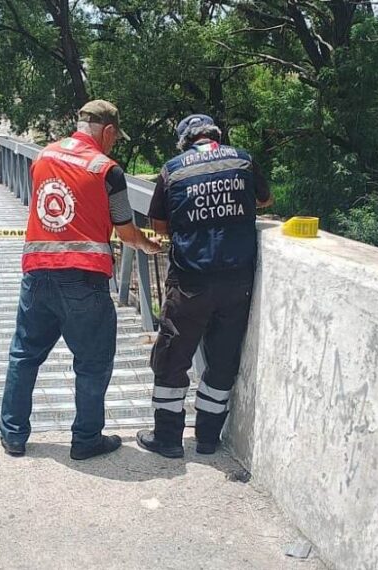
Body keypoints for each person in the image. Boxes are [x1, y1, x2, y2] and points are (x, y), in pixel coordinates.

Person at [0, 100, 162, 460]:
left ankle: (13, 435)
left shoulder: (43, 157)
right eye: (115, 137)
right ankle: (86, 439)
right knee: (92, 362)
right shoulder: (107, 170)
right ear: (108, 131)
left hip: (37, 272)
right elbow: (126, 231)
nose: (114, 143)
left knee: (24, 355)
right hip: (84, 279)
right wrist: (148, 245)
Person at [136, 114, 273, 458]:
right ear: (216, 136)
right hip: (237, 280)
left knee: (172, 357)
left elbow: (159, 224)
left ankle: (168, 438)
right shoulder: (242, 160)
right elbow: (265, 200)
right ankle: (208, 438)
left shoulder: (173, 169)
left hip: (190, 280)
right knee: (223, 359)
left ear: (185, 142)